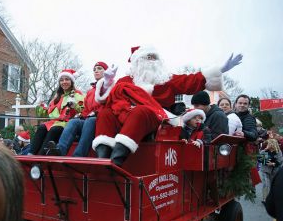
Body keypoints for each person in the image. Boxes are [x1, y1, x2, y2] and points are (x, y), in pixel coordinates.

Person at [93, 45, 242, 166]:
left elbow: (190, 81)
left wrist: (219, 70)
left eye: (154, 58)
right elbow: (109, 100)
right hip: (124, 115)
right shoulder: (125, 80)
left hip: (156, 118)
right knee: (105, 114)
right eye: (147, 58)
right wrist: (106, 84)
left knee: (141, 111)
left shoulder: (166, 80)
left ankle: (116, 162)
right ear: (136, 62)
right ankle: (102, 159)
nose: (151, 61)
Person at [51, 61, 108, 157]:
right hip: (88, 121)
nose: (96, 71)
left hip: (101, 120)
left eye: (99, 69)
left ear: (106, 71)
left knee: (90, 120)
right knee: (73, 122)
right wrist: (80, 115)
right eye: (94, 69)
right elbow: (85, 109)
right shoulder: (90, 91)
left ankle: (78, 155)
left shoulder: (109, 87)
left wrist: (96, 113)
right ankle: (60, 150)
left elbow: (110, 106)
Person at [29, 69, 85, 155]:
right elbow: (48, 113)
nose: (64, 82)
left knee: (54, 130)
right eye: (62, 80)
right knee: (41, 128)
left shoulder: (78, 95)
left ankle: (41, 158)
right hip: (53, 123)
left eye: (67, 79)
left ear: (72, 81)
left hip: (68, 124)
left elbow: (84, 110)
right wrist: (39, 105)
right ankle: (30, 154)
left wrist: (75, 106)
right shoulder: (57, 97)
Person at [259, 138, 283, 203]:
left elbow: (280, 161)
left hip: (274, 171)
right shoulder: (265, 151)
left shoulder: (278, 152)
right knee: (266, 184)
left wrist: (273, 163)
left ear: (272, 144)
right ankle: (265, 199)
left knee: (272, 185)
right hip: (265, 170)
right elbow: (261, 160)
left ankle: (272, 198)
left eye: (269, 143)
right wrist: (265, 151)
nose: (268, 145)